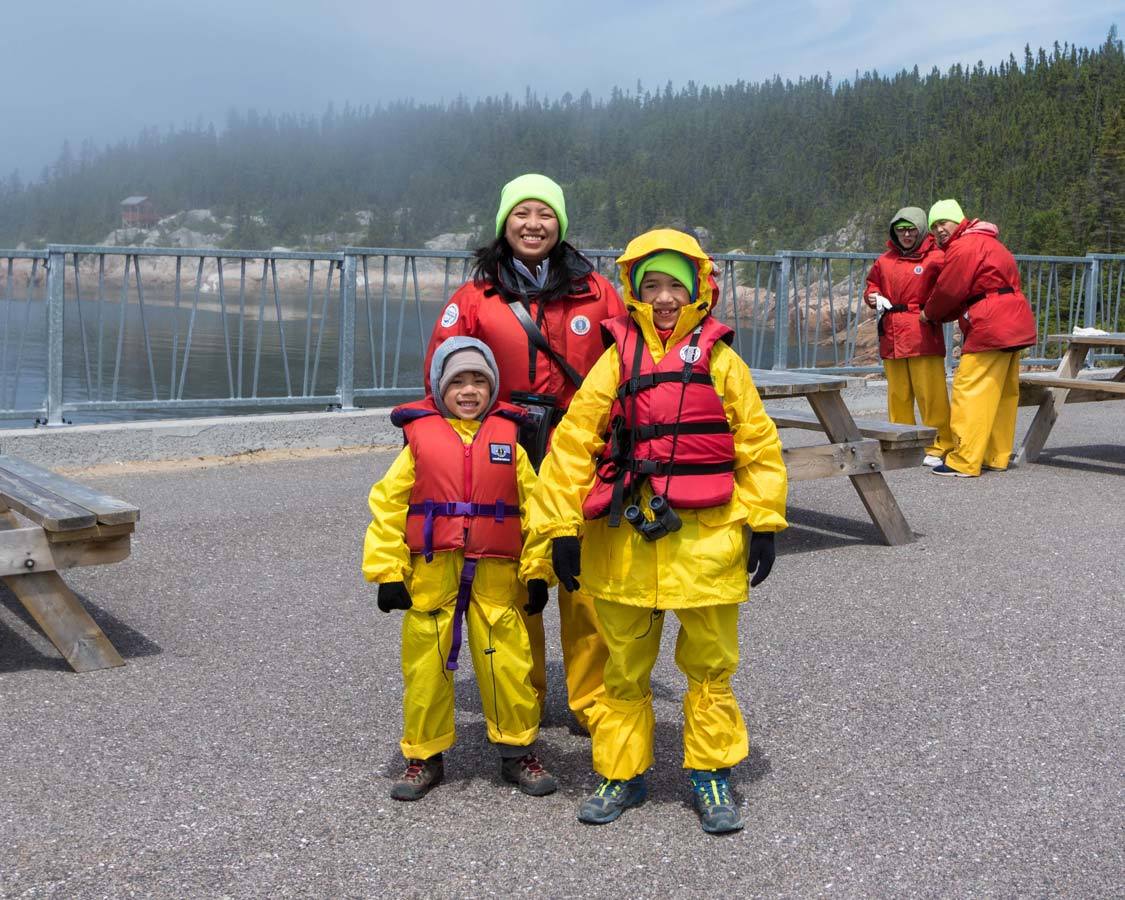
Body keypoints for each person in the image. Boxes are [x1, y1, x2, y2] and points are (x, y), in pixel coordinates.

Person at [526, 229, 788, 834]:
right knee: (623, 670)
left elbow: (758, 447)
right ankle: (622, 773)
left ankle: (711, 773)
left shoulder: (724, 362)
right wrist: (561, 528)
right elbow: (572, 446)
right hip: (625, 543)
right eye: (652, 286)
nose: (665, 298)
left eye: (676, 285)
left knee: (710, 667)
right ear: (635, 294)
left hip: (707, 543)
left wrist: (765, 519)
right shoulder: (616, 361)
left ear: (699, 290)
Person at [424, 173, 625, 730]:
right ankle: (523, 698)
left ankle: (592, 703)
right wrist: (446, 457)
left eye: (545, 214)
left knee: (582, 582)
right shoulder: (474, 299)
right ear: (503, 224)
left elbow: (625, 369)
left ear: (560, 224)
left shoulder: (598, 292)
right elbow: (441, 380)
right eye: (521, 214)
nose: (533, 225)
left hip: (578, 451)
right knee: (515, 583)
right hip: (503, 452)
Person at [362, 336, 558, 801]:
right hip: (433, 569)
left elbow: (536, 510)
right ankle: (423, 756)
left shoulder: (510, 442)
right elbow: (388, 506)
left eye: (479, 381)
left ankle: (517, 752)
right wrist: (388, 572)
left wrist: (538, 569)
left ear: (492, 388)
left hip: (496, 571)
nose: (469, 391)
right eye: (458, 382)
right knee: (426, 667)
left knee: (507, 662)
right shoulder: (419, 442)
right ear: (439, 389)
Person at [921, 199, 1037, 477]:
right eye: (934, 226)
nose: (939, 230)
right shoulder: (991, 242)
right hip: (1015, 321)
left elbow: (949, 290)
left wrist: (929, 314)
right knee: (1001, 392)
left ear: (958, 220)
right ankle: (994, 455)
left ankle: (963, 460)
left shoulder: (965, 246)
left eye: (943, 223)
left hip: (991, 325)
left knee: (969, 389)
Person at [863, 206, 953, 466]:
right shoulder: (885, 260)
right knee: (898, 393)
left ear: (921, 229)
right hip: (891, 332)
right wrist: (872, 296)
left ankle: (939, 444)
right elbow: (873, 283)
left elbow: (948, 288)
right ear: (894, 231)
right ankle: (900, 441)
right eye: (901, 229)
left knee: (930, 394)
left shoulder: (936, 257)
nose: (906, 234)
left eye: (911, 229)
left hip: (922, 331)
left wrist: (933, 311)